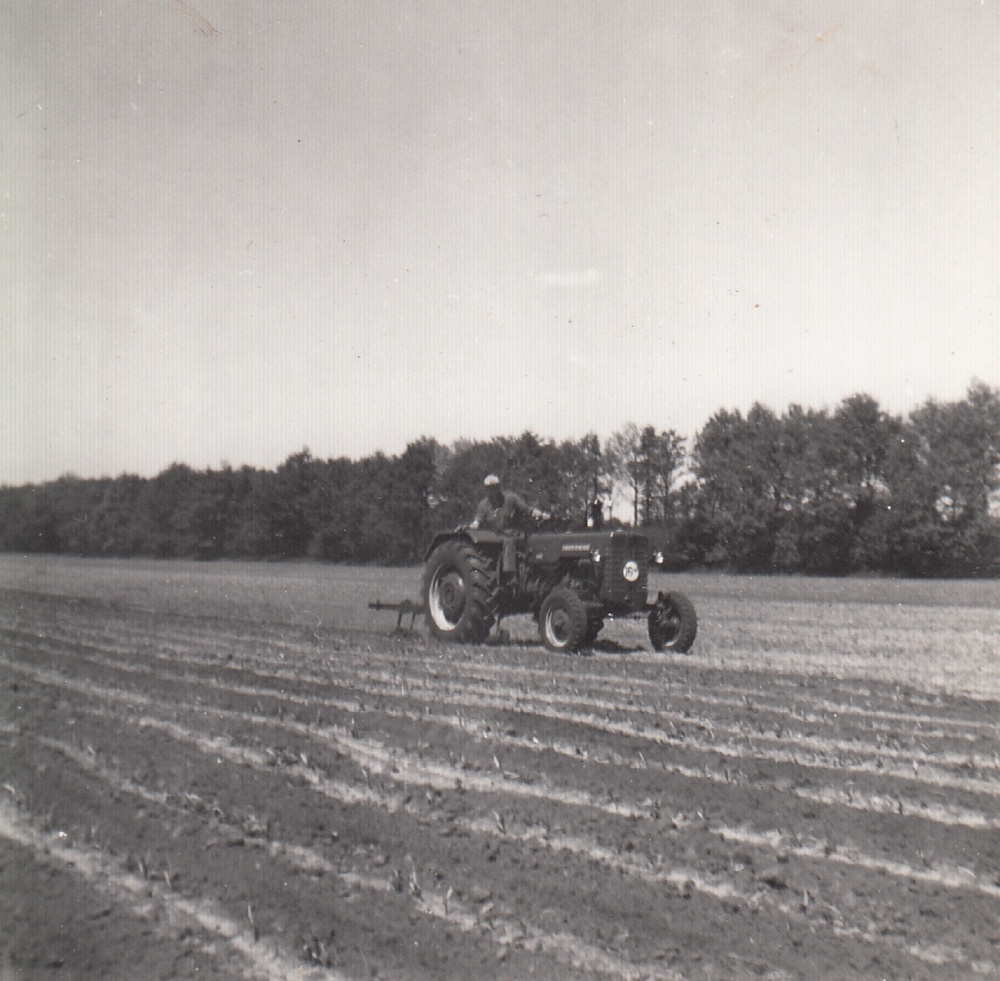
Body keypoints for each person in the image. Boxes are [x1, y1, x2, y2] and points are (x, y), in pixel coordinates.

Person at [468, 475, 549, 584]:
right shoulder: (483, 505)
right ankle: (511, 576)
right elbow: (477, 521)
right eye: (490, 488)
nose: (493, 490)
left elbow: (527, 510)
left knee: (531, 541)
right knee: (508, 542)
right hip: (496, 536)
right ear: (486, 489)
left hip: (514, 533)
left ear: (499, 487)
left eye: (495, 487)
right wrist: (472, 526)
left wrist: (540, 514)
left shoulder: (510, 499)